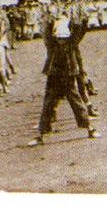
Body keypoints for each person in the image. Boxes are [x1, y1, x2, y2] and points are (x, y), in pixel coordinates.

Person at [28, 15, 100, 146]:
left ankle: (90, 128)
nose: (62, 41)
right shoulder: (52, 44)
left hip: (67, 76)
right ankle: (40, 135)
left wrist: (81, 21)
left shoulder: (70, 44)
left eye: (64, 38)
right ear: (56, 37)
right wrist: (48, 21)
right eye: (60, 38)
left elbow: (79, 33)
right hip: (54, 77)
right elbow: (46, 33)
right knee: (49, 105)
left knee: (76, 103)